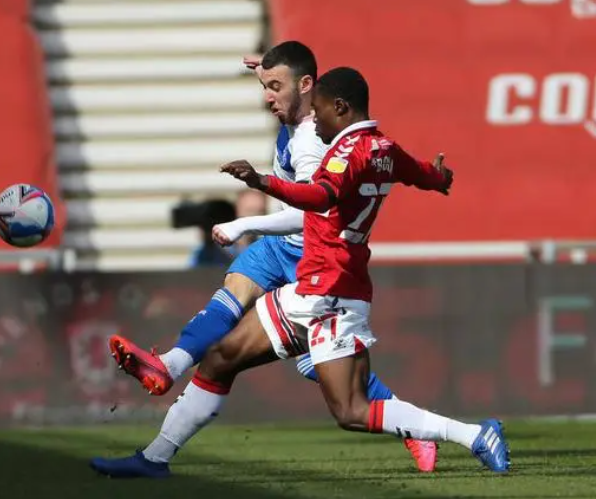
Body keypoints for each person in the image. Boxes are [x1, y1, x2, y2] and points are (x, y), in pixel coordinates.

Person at [96, 67, 510, 478]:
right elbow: (418, 172)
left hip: (330, 295)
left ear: (341, 107)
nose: (316, 119)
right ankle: (155, 458)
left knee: (351, 411)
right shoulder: (383, 147)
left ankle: (473, 434)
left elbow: (320, 195)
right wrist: (438, 177)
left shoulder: (348, 153)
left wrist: (261, 182)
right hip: (310, 290)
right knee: (221, 357)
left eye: (321, 110)